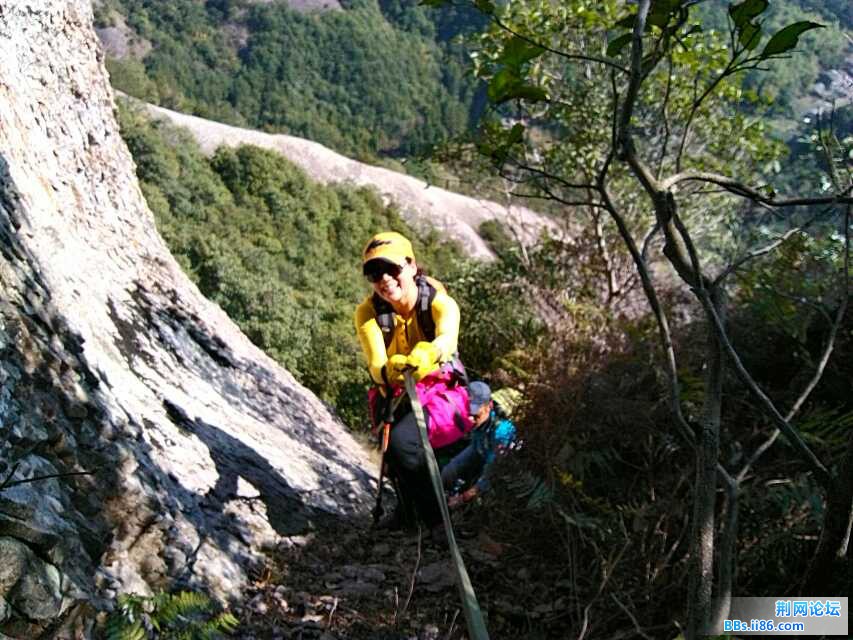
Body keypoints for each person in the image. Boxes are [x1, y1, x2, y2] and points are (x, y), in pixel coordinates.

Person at [354, 231, 472, 530]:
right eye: (374, 272)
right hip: (394, 391)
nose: (384, 279)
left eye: (391, 269)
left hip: (441, 389)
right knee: (392, 455)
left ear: (411, 265)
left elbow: (447, 337)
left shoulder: (437, 301)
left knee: (403, 444)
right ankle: (408, 514)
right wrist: (391, 370)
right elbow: (376, 364)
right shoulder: (369, 313)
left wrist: (428, 354)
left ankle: (435, 520)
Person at [442, 381, 517, 509]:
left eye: (475, 414)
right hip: (480, 447)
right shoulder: (480, 421)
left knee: (480, 502)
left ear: (489, 406)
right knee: (448, 472)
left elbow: (492, 473)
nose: (470, 419)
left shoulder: (501, 432)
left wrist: (463, 498)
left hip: (495, 462)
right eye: (468, 413)